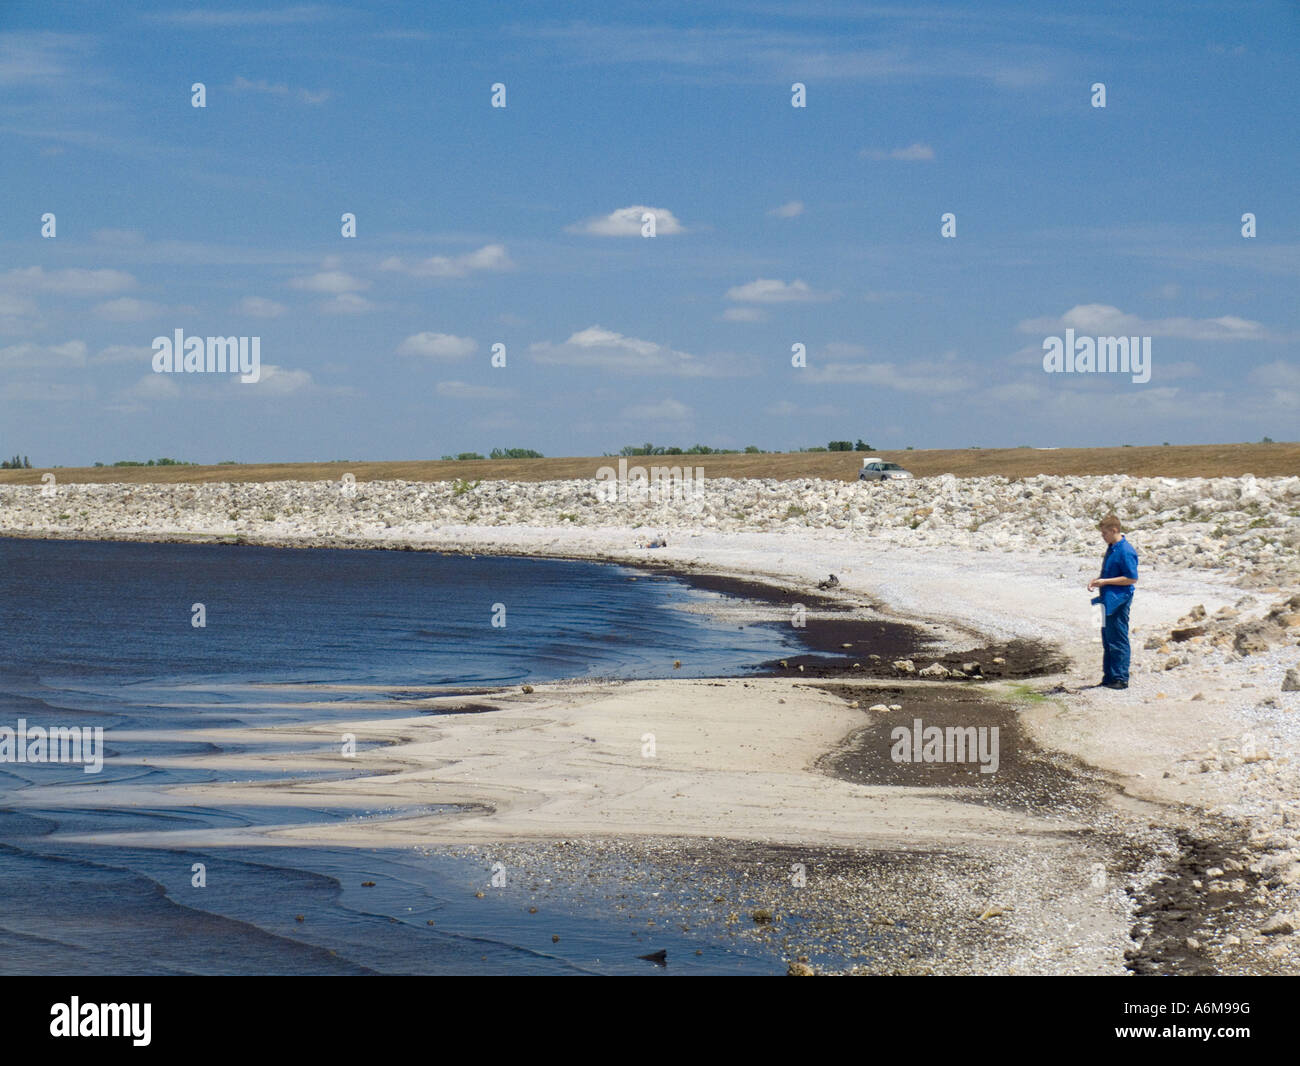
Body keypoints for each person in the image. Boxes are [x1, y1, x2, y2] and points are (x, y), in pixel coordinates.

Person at [1088, 514, 1138, 689]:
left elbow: (1131, 578)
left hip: (1119, 599)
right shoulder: (1112, 548)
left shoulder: (1125, 550)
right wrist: (1098, 581)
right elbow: (1110, 573)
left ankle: (1120, 678)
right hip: (1106, 597)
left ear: (1114, 530)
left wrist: (1105, 582)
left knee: (1118, 637)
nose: (1103, 537)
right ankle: (1109, 676)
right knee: (1107, 637)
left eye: (1105, 533)